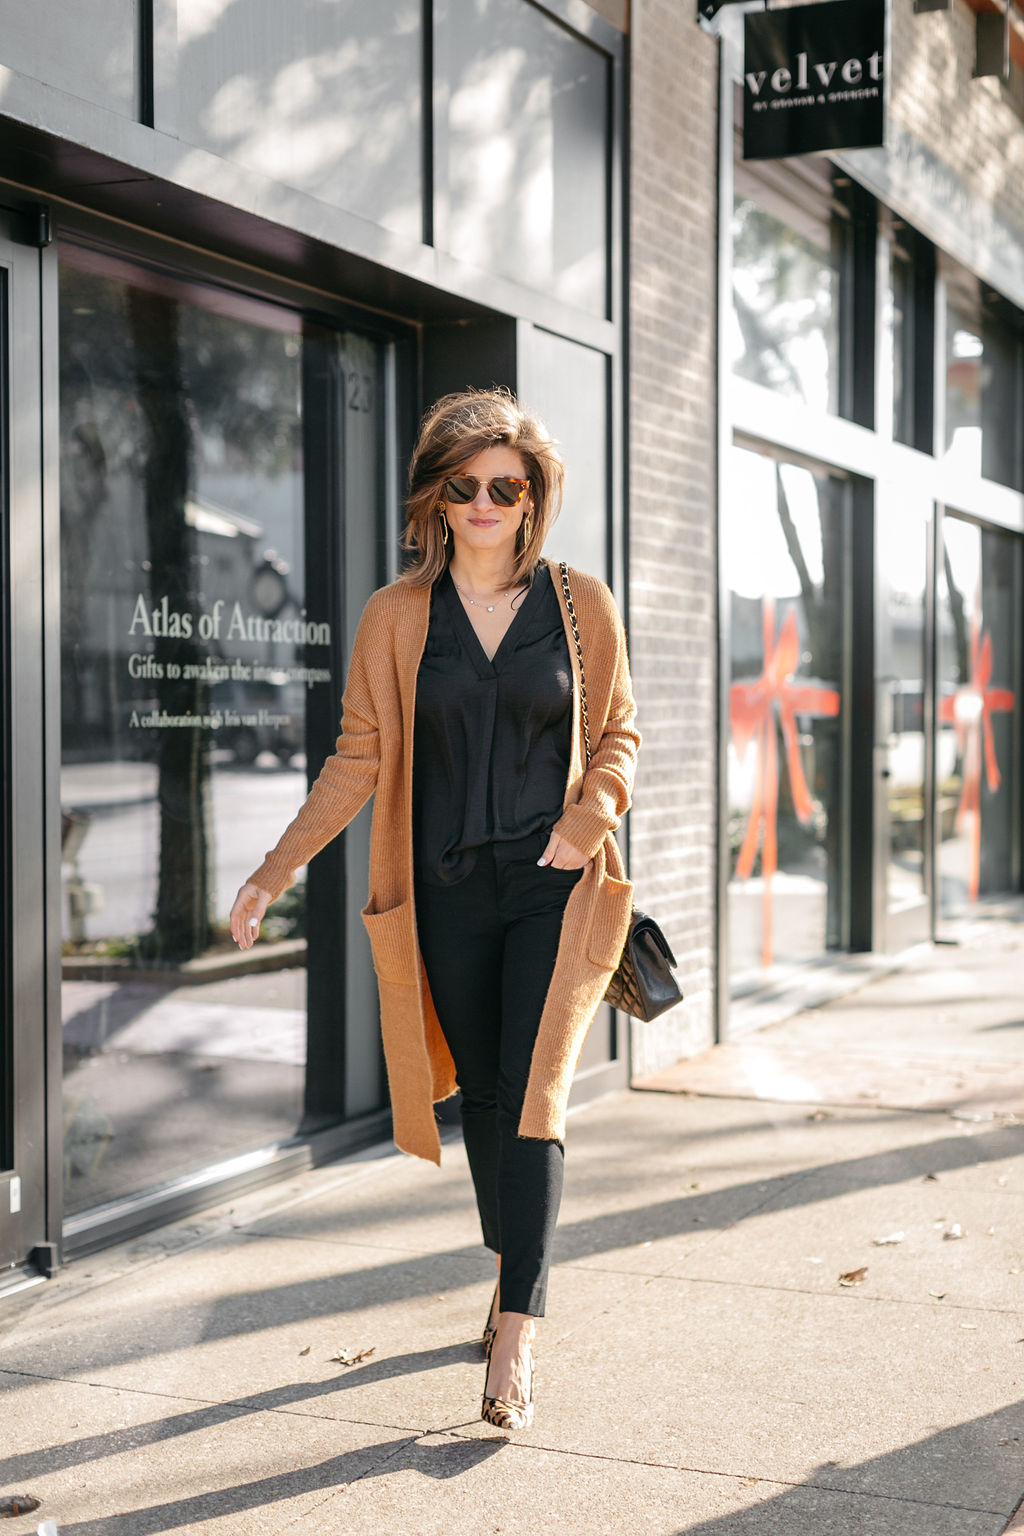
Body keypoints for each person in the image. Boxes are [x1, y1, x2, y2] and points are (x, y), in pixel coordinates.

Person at [229, 388, 640, 1430]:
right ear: (438, 496)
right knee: (486, 1097)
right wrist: (273, 872)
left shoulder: (579, 605)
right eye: (466, 486)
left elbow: (619, 737)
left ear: (533, 492)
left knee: (538, 1095)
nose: (487, 502)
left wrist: (581, 827)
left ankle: (514, 1332)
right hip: (446, 897)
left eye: (507, 485)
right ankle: (513, 1270)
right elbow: (356, 758)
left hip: (553, 890)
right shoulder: (398, 617)